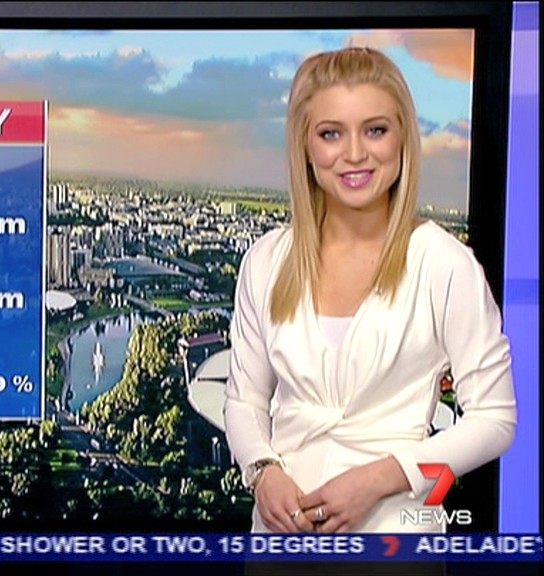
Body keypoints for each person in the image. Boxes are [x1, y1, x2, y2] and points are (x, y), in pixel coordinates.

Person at [223, 46, 516, 541]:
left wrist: (381, 479)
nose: (355, 153)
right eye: (331, 133)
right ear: (305, 146)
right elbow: (244, 400)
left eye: (375, 130)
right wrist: (262, 471)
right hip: (279, 542)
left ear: (403, 139)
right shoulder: (267, 261)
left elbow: (495, 419)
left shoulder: (444, 264)